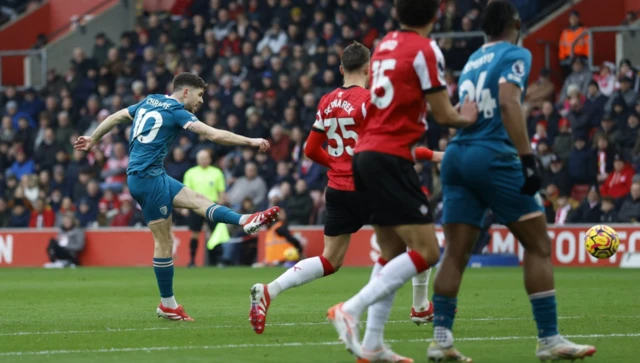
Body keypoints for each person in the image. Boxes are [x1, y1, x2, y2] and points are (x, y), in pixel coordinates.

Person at [429, 2, 596, 362]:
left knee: (455, 255)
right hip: (492, 157)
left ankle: (440, 341)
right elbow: (508, 102)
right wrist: (527, 159)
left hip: (457, 155)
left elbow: (464, 108)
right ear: (516, 24)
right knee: (537, 246)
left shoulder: (474, 58)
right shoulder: (515, 53)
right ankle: (549, 340)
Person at [248, 42, 444, 337]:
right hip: (371, 186)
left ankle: (269, 290)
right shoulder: (370, 100)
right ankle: (418, 307)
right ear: (369, 68)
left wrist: (339, 163)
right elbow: (397, 145)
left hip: (337, 189)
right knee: (420, 240)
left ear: (341, 69)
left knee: (330, 259)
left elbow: (311, 149)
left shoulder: (327, 101)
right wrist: (437, 157)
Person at [325, 1, 478, 360]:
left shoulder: (384, 46)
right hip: (391, 154)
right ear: (435, 14)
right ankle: (350, 308)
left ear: (397, 15)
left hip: (366, 153)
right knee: (427, 251)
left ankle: (374, 343)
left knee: (391, 251)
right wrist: (467, 117)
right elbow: (443, 113)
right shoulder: (426, 49)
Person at [74, 73, 280, 322]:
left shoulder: (150, 100)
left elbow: (116, 116)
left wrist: (93, 139)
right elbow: (213, 134)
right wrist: (251, 140)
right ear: (186, 92)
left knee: (199, 201)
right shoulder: (175, 110)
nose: (201, 101)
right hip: (147, 179)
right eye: (200, 95)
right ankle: (167, 304)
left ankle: (245, 220)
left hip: (153, 175)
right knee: (164, 243)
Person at [183, 149, 226, 267]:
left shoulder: (217, 172)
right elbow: (186, 191)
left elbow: (221, 191)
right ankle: (192, 261)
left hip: (211, 206)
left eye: (205, 158)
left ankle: (217, 260)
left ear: (210, 159)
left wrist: (220, 205)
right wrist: (186, 206)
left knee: (215, 233)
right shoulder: (190, 173)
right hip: (195, 206)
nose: (203, 161)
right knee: (195, 234)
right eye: (201, 158)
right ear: (197, 160)